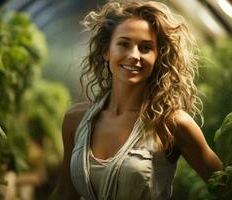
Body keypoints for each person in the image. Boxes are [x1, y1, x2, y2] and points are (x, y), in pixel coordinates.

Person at [51, 1, 222, 199]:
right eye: (124, 44)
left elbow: (228, 187)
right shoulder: (76, 120)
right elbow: (65, 192)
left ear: (158, 56)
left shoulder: (170, 123)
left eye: (145, 48)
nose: (134, 55)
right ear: (106, 51)